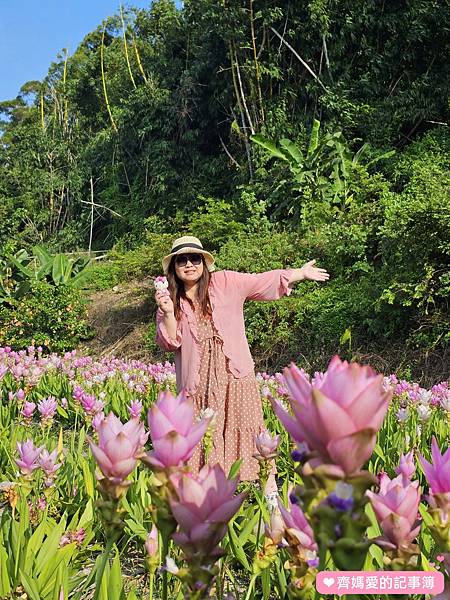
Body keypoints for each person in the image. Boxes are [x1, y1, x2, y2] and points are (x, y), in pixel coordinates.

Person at [154, 235, 329, 496]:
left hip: (234, 375)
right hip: (198, 384)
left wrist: (300, 274)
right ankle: (209, 503)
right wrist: (168, 313)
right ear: (174, 268)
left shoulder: (226, 282)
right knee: (203, 440)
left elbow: (262, 280)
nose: (189, 264)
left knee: (251, 437)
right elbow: (169, 343)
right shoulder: (169, 300)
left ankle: (271, 504)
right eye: (182, 260)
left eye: (194, 258)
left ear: (204, 262)